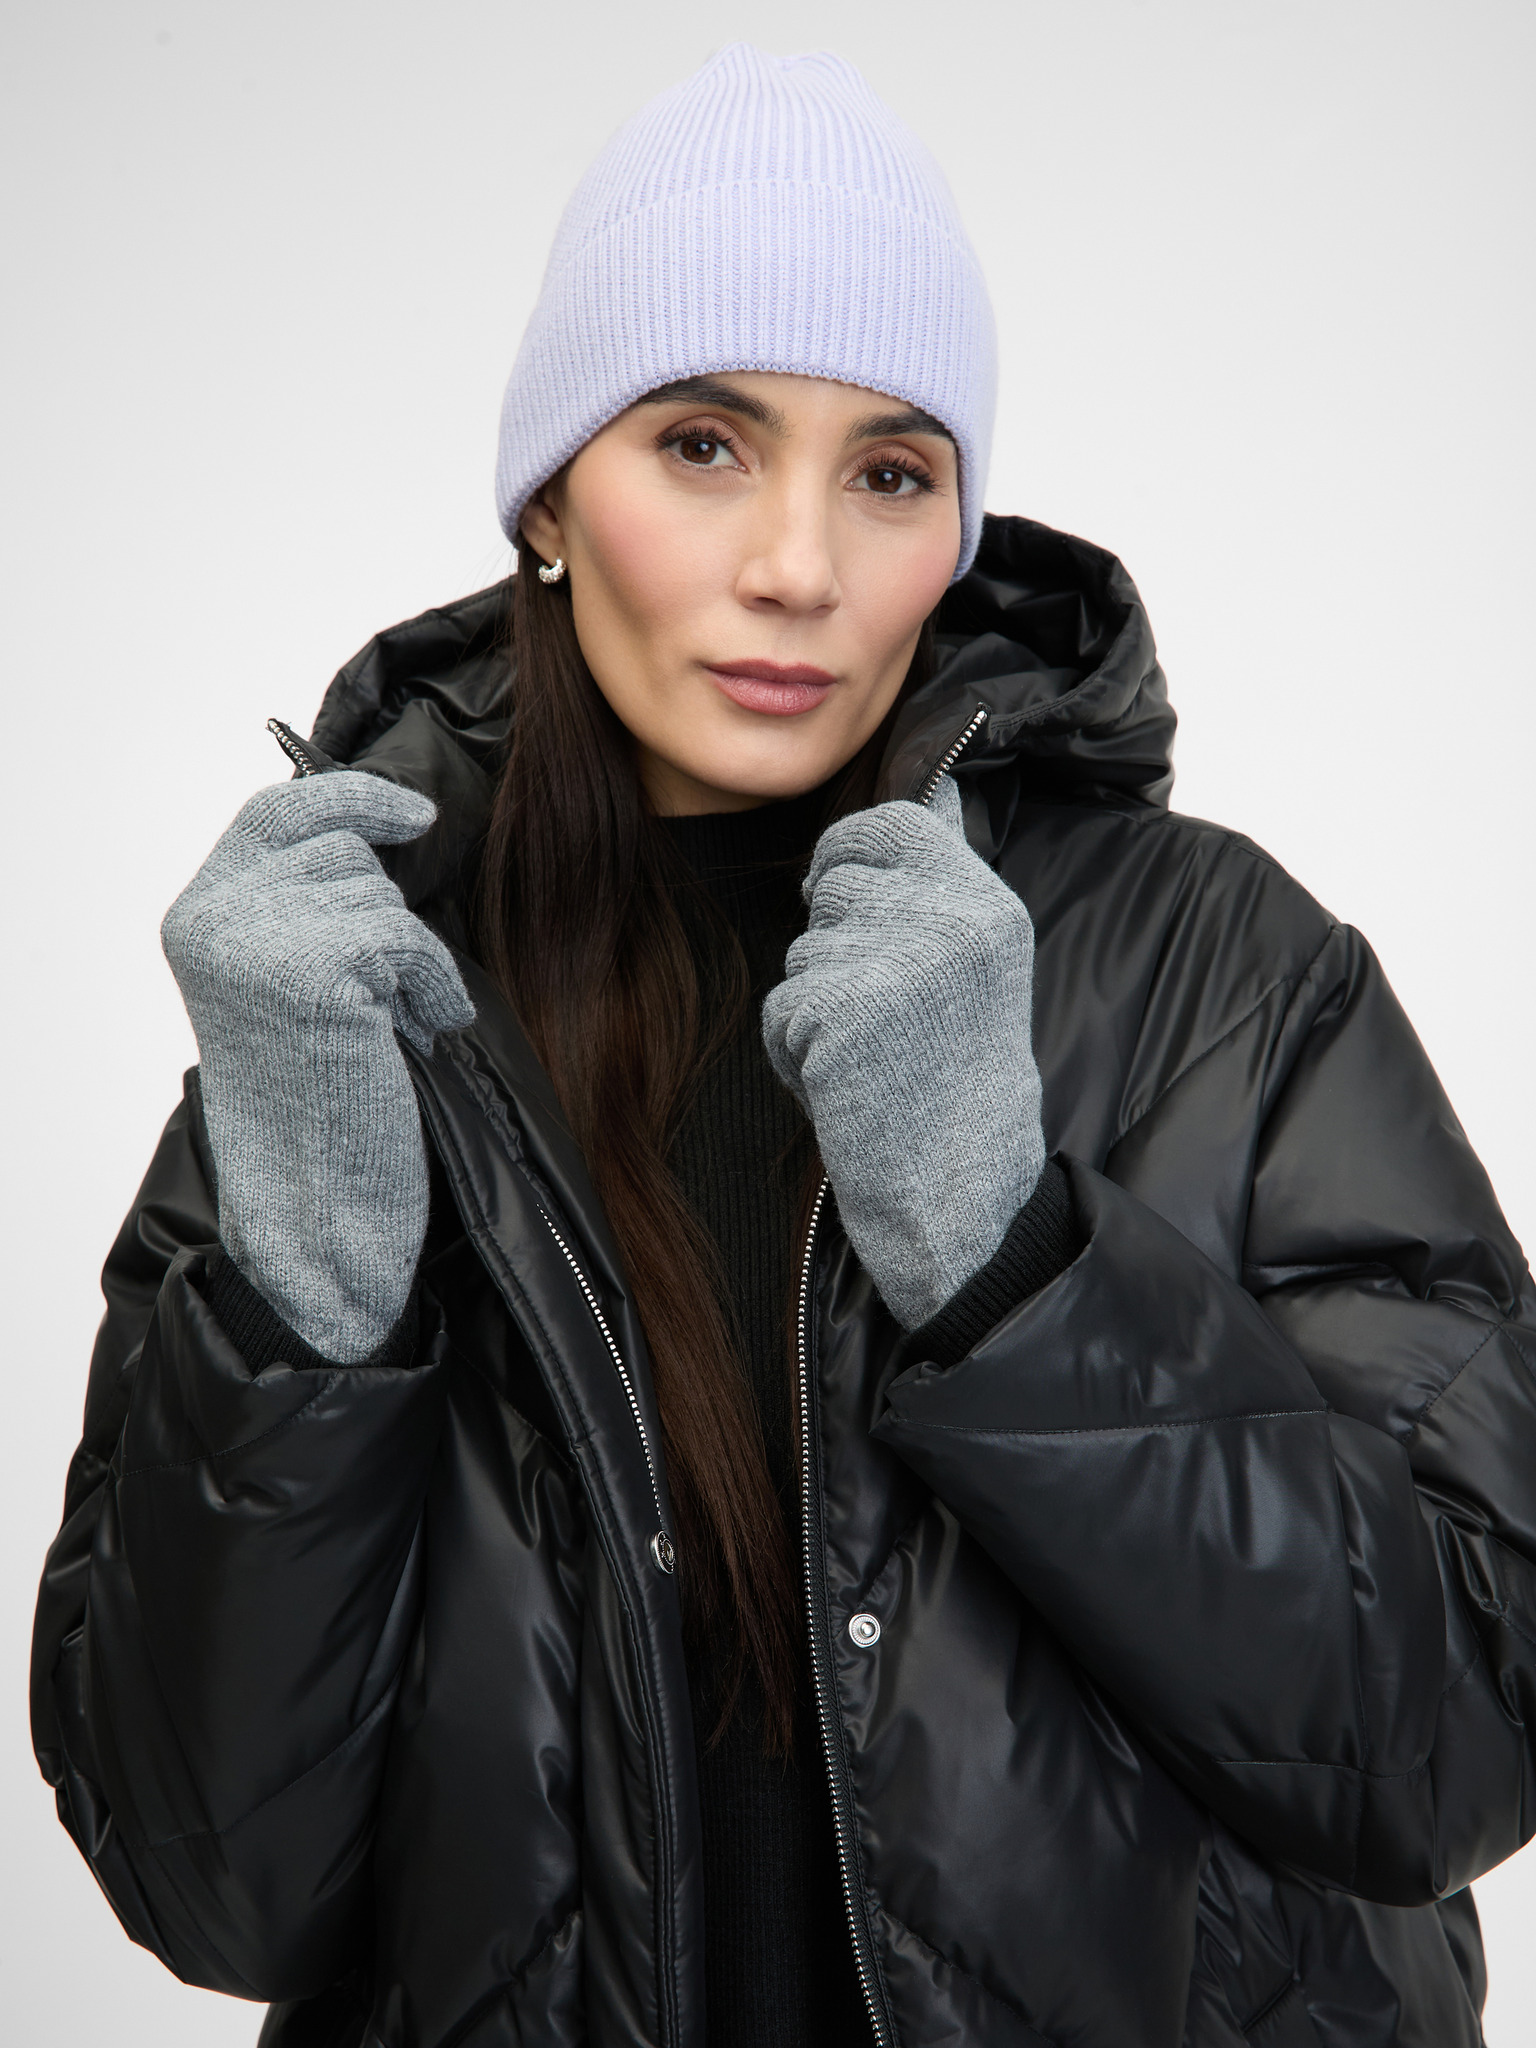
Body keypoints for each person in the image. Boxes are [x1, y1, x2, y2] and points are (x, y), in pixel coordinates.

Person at [29, 41, 1536, 2048]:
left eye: (890, 474)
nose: (801, 569)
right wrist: (309, 1292)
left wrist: (1016, 1265)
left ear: (957, 525)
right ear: (551, 497)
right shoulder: (352, 1004)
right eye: (705, 444)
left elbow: (1460, 1736)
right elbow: (216, 1884)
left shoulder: (1216, 970)